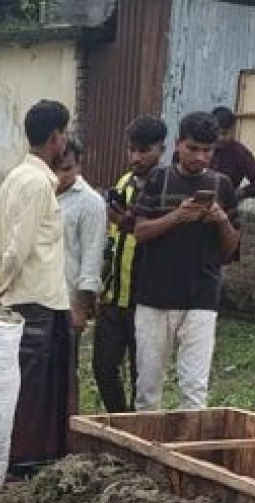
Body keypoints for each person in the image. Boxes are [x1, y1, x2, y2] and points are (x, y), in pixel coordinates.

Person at [0, 100, 73, 478]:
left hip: (28, 296)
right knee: (35, 388)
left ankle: (30, 457)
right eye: (64, 133)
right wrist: (0, 281)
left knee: (33, 384)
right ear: (56, 138)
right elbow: (16, 245)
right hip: (37, 298)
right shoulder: (35, 183)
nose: (65, 140)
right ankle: (26, 460)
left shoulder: (15, 178)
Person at [131, 111, 242, 411]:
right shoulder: (158, 179)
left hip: (202, 296)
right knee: (148, 389)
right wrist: (177, 216)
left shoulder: (223, 186)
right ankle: (144, 453)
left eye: (207, 150)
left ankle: (187, 453)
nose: (200, 157)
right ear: (178, 145)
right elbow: (139, 232)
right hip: (155, 297)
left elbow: (232, 249)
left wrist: (220, 220)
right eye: (193, 148)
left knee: (194, 391)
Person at [95, 115, 167, 413]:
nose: (136, 157)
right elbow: (112, 239)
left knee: (143, 374)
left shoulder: (166, 186)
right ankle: (118, 420)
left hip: (146, 299)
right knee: (103, 367)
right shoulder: (123, 183)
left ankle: (137, 429)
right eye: (132, 150)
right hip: (114, 297)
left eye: (144, 151)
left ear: (161, 149)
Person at [55, 136, 107, 415]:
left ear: (78, 165)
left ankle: (66, 429)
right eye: (55, 168)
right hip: (37, 296)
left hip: (67, 299)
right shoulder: (38, 190)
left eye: (67, 169)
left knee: (66, 371)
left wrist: (81, 306)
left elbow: (91, 258)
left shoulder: (90, 202)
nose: (60, 176)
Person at [209, 107, 255, 206]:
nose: (220, 138)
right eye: (216, 133)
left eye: (224, 133)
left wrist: (236, 194)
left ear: (233, 130)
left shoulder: (239, 153)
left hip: (224, 210)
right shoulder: (200, 146)